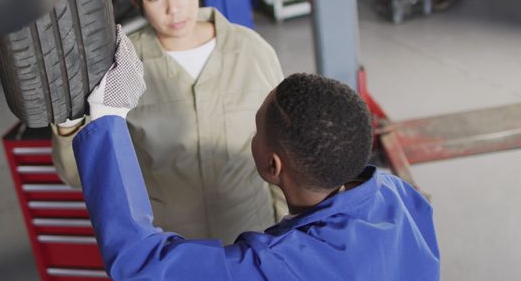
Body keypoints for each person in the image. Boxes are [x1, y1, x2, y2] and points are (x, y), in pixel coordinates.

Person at [71, 30, 441, 280]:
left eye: (256, 129)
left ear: (271, 165)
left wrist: (108, 115)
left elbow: (141, 264)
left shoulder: (280, 265)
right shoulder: (397, 195)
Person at [52, 0, 286, 244]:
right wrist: (67, 120)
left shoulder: (251, 51)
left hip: (254, 238)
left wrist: (284, 235)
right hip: (172, 250)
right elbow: (79, 175)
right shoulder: (122, 66)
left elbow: (283, 153)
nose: (173, 9)